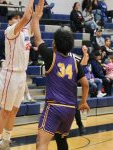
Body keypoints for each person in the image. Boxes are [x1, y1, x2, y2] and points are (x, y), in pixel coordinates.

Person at [33, 3, 90, 150]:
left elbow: (38, 40)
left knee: (41, 143)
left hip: (54, 107)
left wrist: (36, 19)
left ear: (54, 44)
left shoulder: (51, 57)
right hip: (70, 110)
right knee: (61, 140)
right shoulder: (75, 62)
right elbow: (85, 84)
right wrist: (83, 101)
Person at [0, 0, 36, 149]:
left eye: (18, 17)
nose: (17, 19)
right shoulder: (10, 31)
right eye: (14, 18)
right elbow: (27, 17)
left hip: (21, 74)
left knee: (14, 110)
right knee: (5, 111)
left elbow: (33, 19)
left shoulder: (26, 32)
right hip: (10, 74)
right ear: (10, 21)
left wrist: (38, 12)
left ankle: (6, 140)